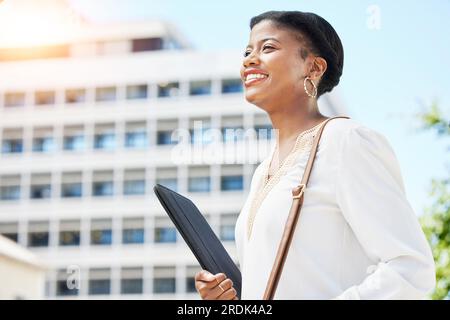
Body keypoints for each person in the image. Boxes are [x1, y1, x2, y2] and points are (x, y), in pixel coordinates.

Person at [195, 10, 436, 300]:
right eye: (247, 51)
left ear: (314, 68)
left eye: (268, 47)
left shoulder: (345, 141)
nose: (249, 59)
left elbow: (411, 270)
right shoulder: (262, 173)